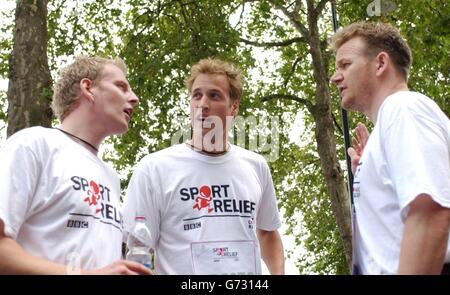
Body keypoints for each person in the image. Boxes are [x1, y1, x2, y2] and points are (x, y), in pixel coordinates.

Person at [122, 58, 285, 275]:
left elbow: (268, 234)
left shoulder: (255, 166)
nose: (203, 105)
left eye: (214, 95)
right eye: (196, 95)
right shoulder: (154, 168)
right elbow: (135, 248)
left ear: (233, 107)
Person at [0, 55, 150, 275]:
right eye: (121, 86)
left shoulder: (111, 177)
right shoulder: (33, 145)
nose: (134, 98)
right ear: (88, 88)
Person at [330, 21, 450, 275]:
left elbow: (430, 212)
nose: (335, 77)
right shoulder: (393, 121)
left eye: (345, 65)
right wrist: (372, 173)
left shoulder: (404, 109)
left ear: (381, 63)